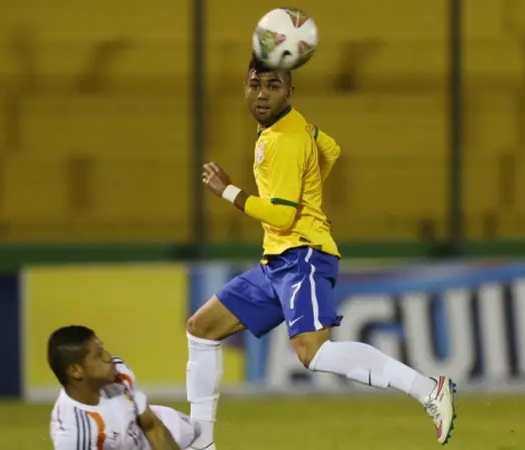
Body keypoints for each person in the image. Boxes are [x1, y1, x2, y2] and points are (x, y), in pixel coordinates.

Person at [185, 57, 457, 450]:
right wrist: (309, 188)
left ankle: (429, 389)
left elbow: (281, 213)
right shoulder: (291, 128)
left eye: (273, 85)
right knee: (202, 328)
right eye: (254, 84)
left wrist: (228, 191)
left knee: (313, 353)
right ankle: (200, 443)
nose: (261, 94)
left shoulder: (285, 141)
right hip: (278, 260)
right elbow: (331, 149)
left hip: (302, 256)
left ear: (290, 91)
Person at [48, 325, 200, 450]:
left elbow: (152, 426)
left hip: (177, 434)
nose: (109, 357)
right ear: (76, 371)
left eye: (103, 349)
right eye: (99, 355)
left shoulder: (118, 372)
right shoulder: (74, 436)